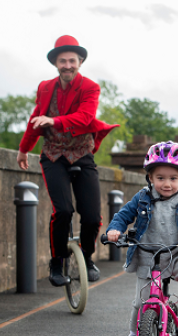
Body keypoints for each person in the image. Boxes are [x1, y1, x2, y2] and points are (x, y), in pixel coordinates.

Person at [17, 35, 118, 287]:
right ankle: (57, 261)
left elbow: (85, 118)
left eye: (72, 60)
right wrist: (23, 149)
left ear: (80, 62)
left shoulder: (90, 87)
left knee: (93, 216)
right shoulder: (45, 87)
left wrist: (55, 121)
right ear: (56, 64)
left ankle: (87, 256)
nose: (67, 65)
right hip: (53, 155)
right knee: (62, 210)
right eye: (62, 61)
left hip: (81, 153)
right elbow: (36, 117)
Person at [105, 141, 178, 336]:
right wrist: (114, 230)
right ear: (150, 178)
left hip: (177, 253)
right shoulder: (142, 197)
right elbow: (123, 215)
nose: (166, 183)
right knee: (140, 302)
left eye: (173, 178)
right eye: (160, 178)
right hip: (148, 256)